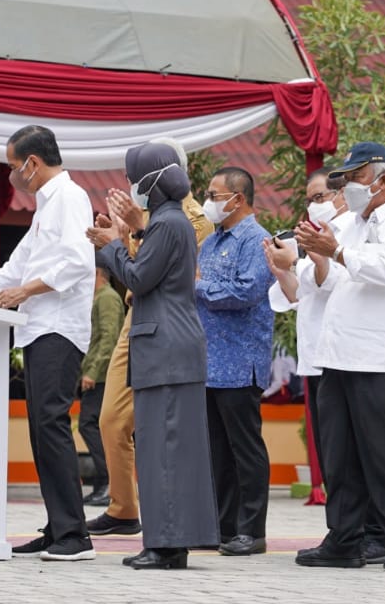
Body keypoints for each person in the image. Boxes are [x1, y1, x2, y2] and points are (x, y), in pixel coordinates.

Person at [0, 125, 97, 561]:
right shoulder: (45, 206)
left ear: (32, 163)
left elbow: (78, 261)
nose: (11, 175)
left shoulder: (69, 198)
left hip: (59, 328)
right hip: (37, 327)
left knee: (51, 424)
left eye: (13, 166)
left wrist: (25, 292)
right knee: (40, 429)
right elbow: (13, 270)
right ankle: (58, 527)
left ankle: (75, 535)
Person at [293, 142, 385, 572]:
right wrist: (318, 253)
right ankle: (345, 539)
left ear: (383, 180)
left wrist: (334, 251)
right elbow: (323, 280)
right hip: (338, 353)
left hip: (383, 354)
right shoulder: (349, 224)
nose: (349, 186)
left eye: (356, 177)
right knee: (340, 456)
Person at [89, 140, 220, 569]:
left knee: (162, 449)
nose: (131, 188)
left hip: (164, 343)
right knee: (168, 449)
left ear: (151, 183)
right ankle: (170, 542)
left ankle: (165, 545)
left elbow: (140, 278)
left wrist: (113, 244)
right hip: (170, 343)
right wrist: (130, 233)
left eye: (134, 180)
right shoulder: (167, 221)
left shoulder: (167, 222)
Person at [196, 166, 274, 556]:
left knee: (245, 449)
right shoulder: (210, 242)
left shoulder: (257, 240)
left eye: (214, 195)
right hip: (208, 361)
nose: (208, 202)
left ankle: (251, 530)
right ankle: (222, 526)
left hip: (241, 361)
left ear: (237, 199)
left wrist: (197, 285)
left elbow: (245, 291)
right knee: (216, 450)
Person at [264, 167, 354, 492]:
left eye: (319, 197)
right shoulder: (314, 237)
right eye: (309, 201)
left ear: (341, 195)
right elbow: (299, 297)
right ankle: (337, 518)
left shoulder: (350, 234)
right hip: (313, 356)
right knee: (328, 453)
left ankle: (350, 519)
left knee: (342, 455)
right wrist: (280, 270)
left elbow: (334, 282)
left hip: (341, 358)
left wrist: (294, 262)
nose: (313, 206)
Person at [77, 261, 124, 507]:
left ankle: (108, 483)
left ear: (96, 273)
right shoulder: (101, 297)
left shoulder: (107, 298)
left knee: (90, 424)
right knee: (91, 425)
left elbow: (109, 337)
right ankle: (103, 484)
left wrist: (92, 372)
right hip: (99, 373)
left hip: (104, 375)